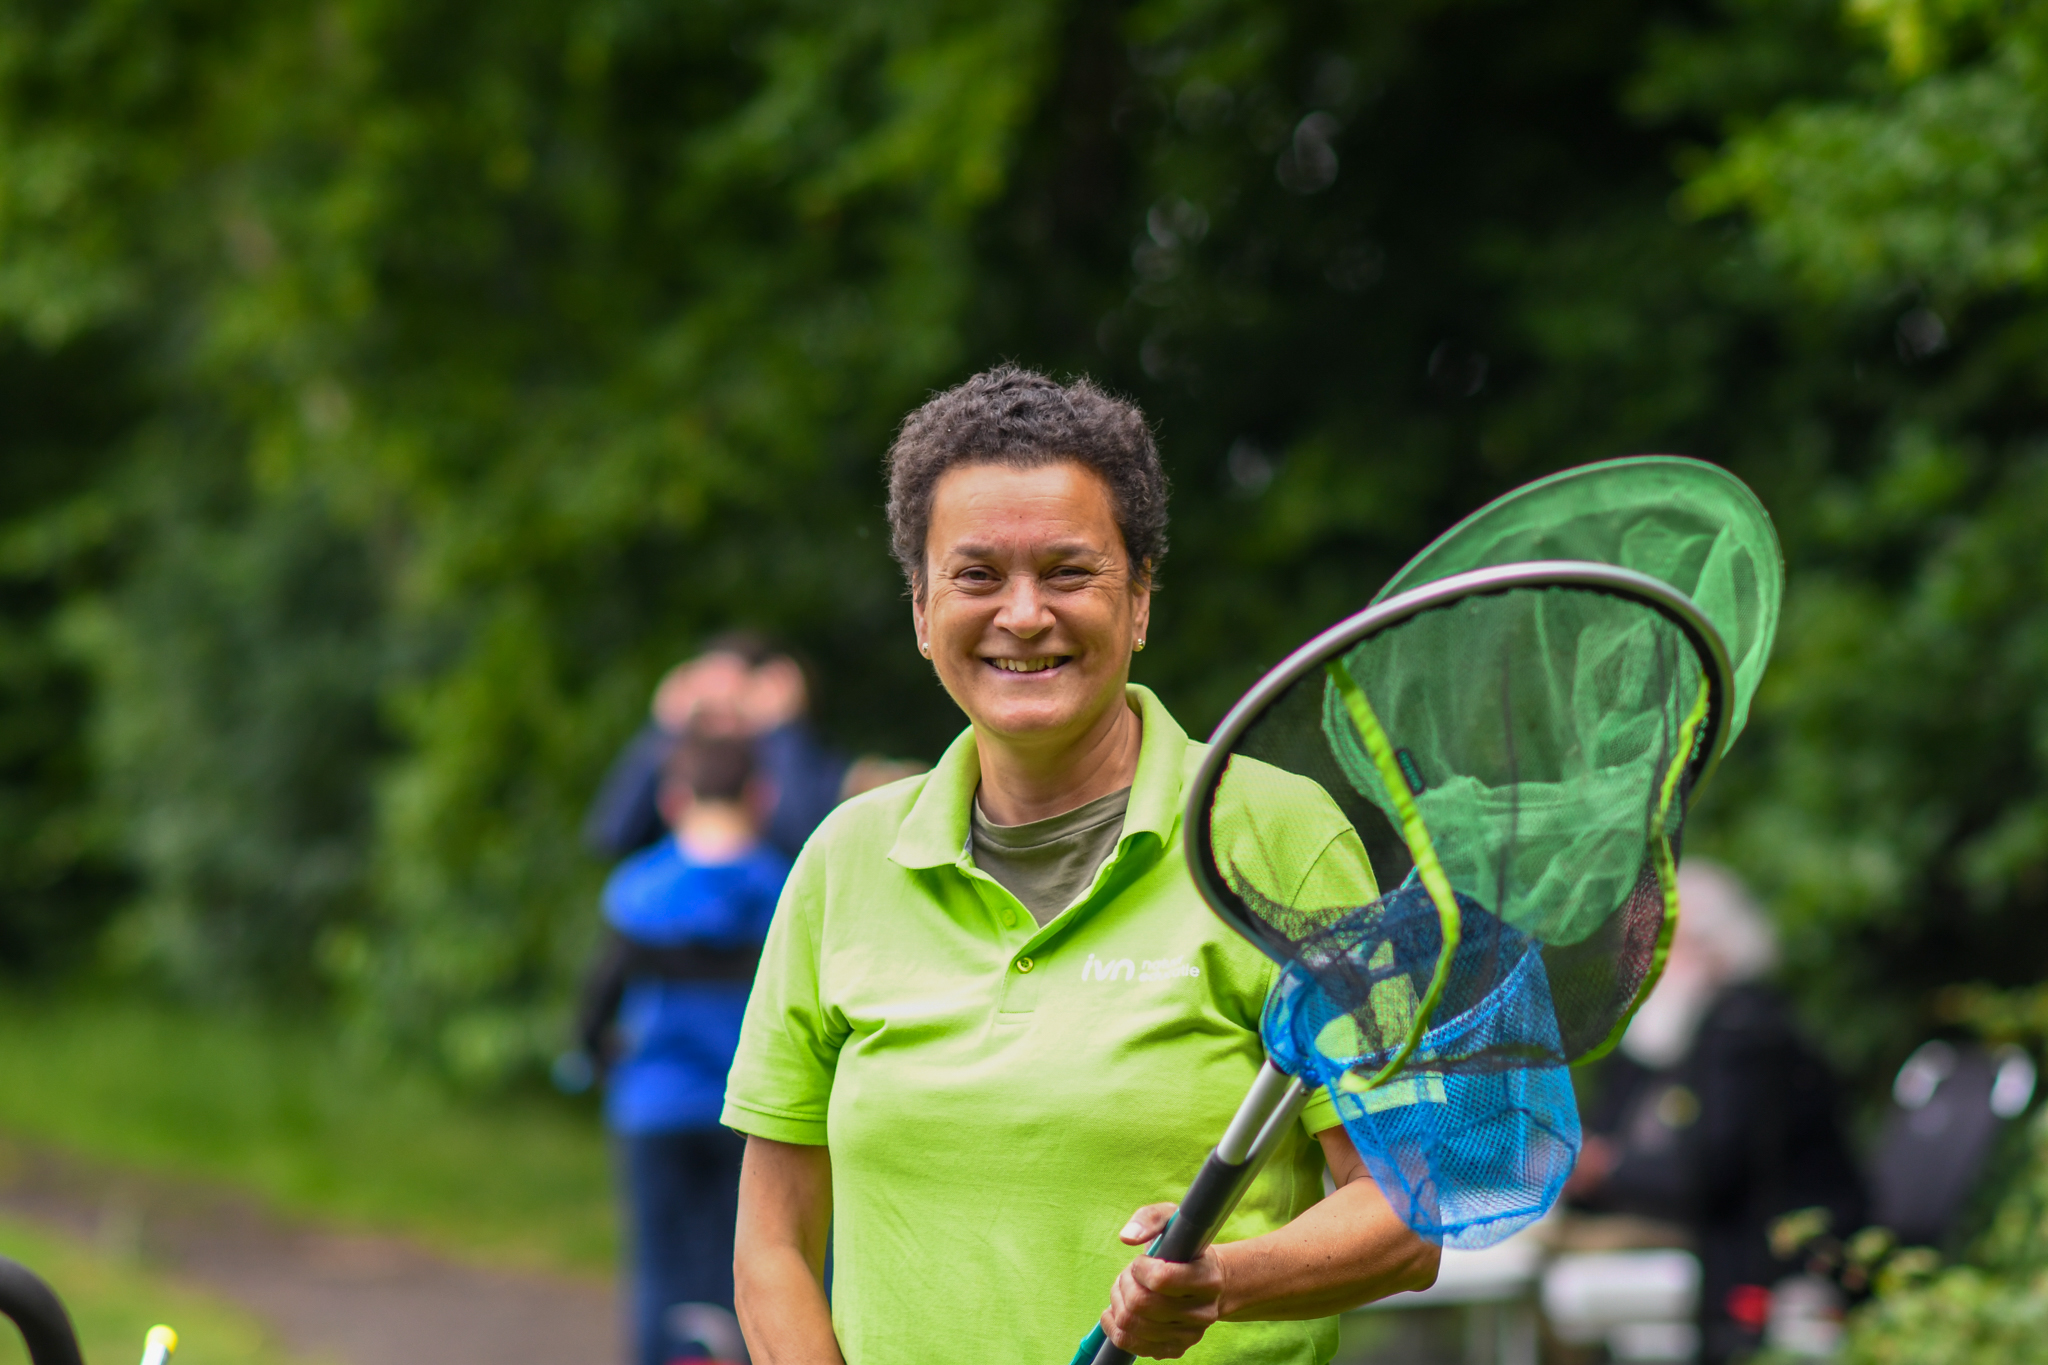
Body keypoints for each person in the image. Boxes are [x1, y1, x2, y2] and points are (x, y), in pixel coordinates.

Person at [723, 365, 1438, 1365]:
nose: (1022, 614)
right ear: (922, 610)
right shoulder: (842, 860)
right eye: (976, 576)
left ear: (1138, 601)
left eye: (1068, 572)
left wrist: (1221, 1283)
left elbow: (1406, 1214)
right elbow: (770, 1249)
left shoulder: (1284, 838)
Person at [1566, 859, 1865, 1365]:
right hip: (1682, 1235)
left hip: (1763, 1257)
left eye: (1652, 947)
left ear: (1713, 949)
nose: (1634, 966)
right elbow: (1603, 1131)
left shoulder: (1747, 1035)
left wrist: (1606, 1171)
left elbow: (1711, 1171)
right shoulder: (1661, 1036)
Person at [575, 730, 792, 1365]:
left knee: (660, 1272)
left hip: (655, 1104)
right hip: (757, 1113)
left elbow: (597, 1002)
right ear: (762, 796)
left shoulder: (638, 889)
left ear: (674, 800)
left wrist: (599, 1057)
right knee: (761, 1265)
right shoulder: (784, 886)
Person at [584, 633, 849, 863]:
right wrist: (663, 727)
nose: (720, 716)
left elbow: (805, 835)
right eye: (707, 702)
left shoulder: (800, 759)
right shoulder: (673, 759)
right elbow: (611, 836)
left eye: (733, 700)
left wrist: (785, 730)